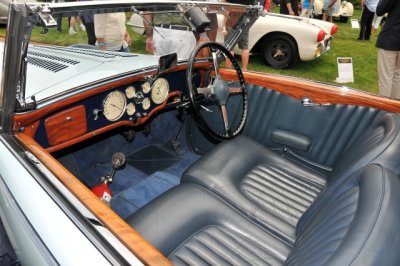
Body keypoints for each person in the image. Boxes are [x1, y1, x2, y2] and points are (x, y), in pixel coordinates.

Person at [375, 0, 400, 99]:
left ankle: (384, 109)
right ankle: (395, 108)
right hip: (393, 36)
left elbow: (380, 10)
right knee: (397, 75)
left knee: (386, 77)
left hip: (391, 37)